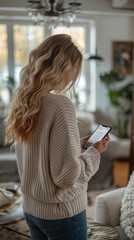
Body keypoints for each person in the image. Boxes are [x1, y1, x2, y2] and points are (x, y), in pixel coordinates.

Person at [5, 34, 110, 240]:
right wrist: (93, 153)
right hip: (62, 214)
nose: (74, 76)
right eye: (75, 69)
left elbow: (40, 151)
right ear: (64, 66)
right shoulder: (60, 105)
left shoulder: (24, 102)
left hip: (32, 210)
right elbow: (67, 176)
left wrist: (77, 145)